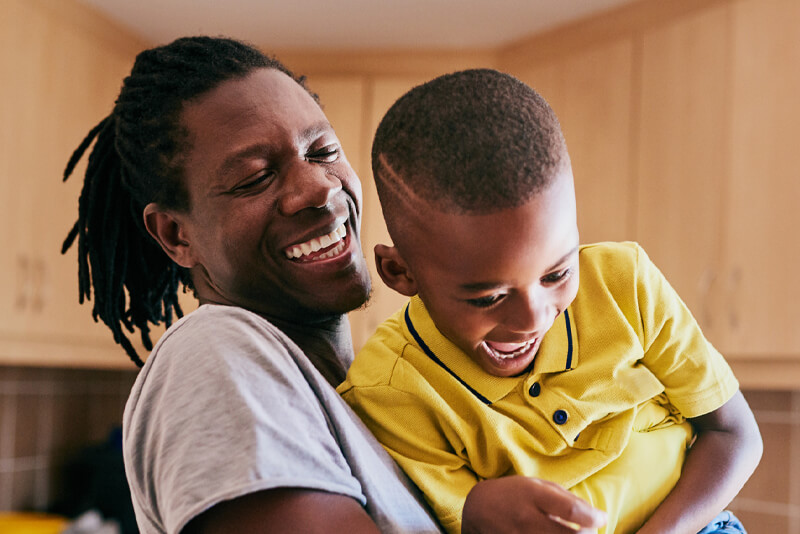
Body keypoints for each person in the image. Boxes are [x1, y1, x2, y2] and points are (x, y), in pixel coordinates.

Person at [337, 69, 763, 534]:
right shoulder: (390, 391)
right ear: (401, 273)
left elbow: (733, 435)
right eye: (489, 297)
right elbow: (438, 520)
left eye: (557, 274)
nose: (533, 319)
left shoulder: (625, 283)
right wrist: (476, 510)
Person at [61, 36, 447, 534]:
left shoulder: (368, 395)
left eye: (322, 150)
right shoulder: (214, 355)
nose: (319, 186)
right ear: (178, 236)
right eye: (255, 178)